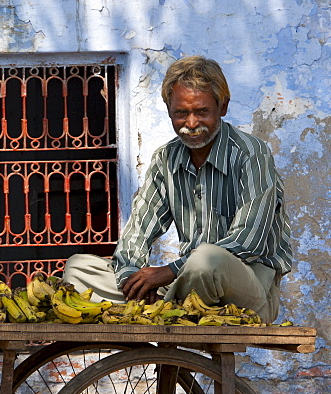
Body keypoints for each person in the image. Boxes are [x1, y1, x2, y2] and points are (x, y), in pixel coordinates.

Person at [64, 56, 292, 322]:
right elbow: (137, 231)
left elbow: (247, 242)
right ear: (169, 109)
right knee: (79, 268)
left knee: (207, 259)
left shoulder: (251, 154)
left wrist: (169, 271)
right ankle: (164, 309)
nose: (191, 123)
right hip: (186, 283)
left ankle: (166, 313)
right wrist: (133, 282)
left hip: (245, 290)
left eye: (202, 111)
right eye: (181, 113)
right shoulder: (165, 159)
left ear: (223, 107)